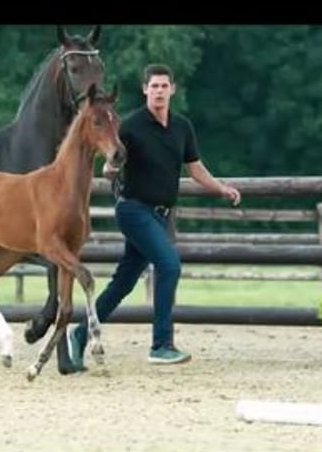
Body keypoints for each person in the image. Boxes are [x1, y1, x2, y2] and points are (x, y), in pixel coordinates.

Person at [57, 63, 241, 374]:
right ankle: (161, 345)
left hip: (160, 217)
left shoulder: (182, 127)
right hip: (133, 210)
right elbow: (109, 157)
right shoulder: (129, 125)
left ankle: (79, 332)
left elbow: (195, 169)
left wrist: (221, 188)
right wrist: (110, 168)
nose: (158, 91)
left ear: (172, 89)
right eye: (153, 86)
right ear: (145, 90)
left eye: (163, 86)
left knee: (124, 282)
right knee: (169, 265)